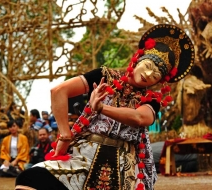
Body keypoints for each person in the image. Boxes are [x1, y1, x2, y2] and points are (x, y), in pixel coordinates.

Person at [15, 24, 194, 190]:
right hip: (84, 154)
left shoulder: (151, 99)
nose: (148, 74)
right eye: (147, 66)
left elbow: (141, 118)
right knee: (30, 179)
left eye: (156, 74)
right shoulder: (104, 76)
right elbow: (58, 91)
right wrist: (65, 134)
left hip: (125, 163)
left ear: (160, 81)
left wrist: (101, 108)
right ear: (137, 59)